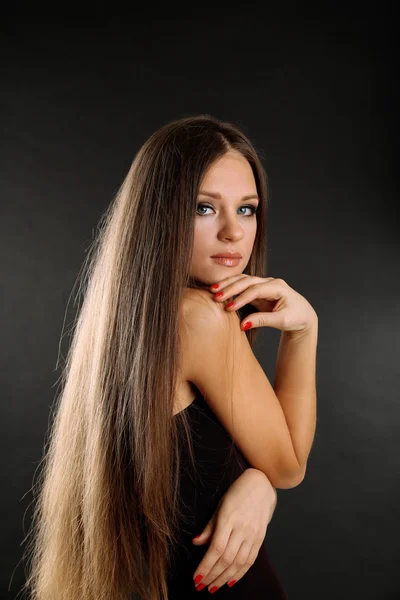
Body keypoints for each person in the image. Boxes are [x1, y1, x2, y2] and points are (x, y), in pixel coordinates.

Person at [22, 114, 318, 599]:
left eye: (247, 209)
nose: (232, 232)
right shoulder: (198, 317)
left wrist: (255, 485)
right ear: (160, 214)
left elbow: (193, 476)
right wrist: (304, 332)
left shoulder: (126, 320)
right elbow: (289, 465)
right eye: (204, 208)